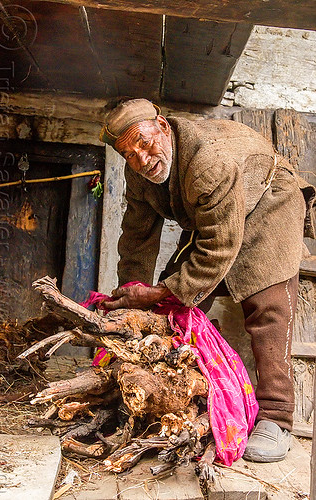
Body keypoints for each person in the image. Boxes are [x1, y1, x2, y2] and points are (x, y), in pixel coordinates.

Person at [99, 98, 315, 462]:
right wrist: (131, 296)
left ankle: (277, 416)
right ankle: (157, 394)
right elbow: (136, 234)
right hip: (218, 213)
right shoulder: (139, 173)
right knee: (170, 304)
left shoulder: (208, 163)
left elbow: (218, 248)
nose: (140, 159)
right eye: (129, 154)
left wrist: (162, 291)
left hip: (268, 202)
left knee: (267, 308)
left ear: (163, 127)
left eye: (145, 143)